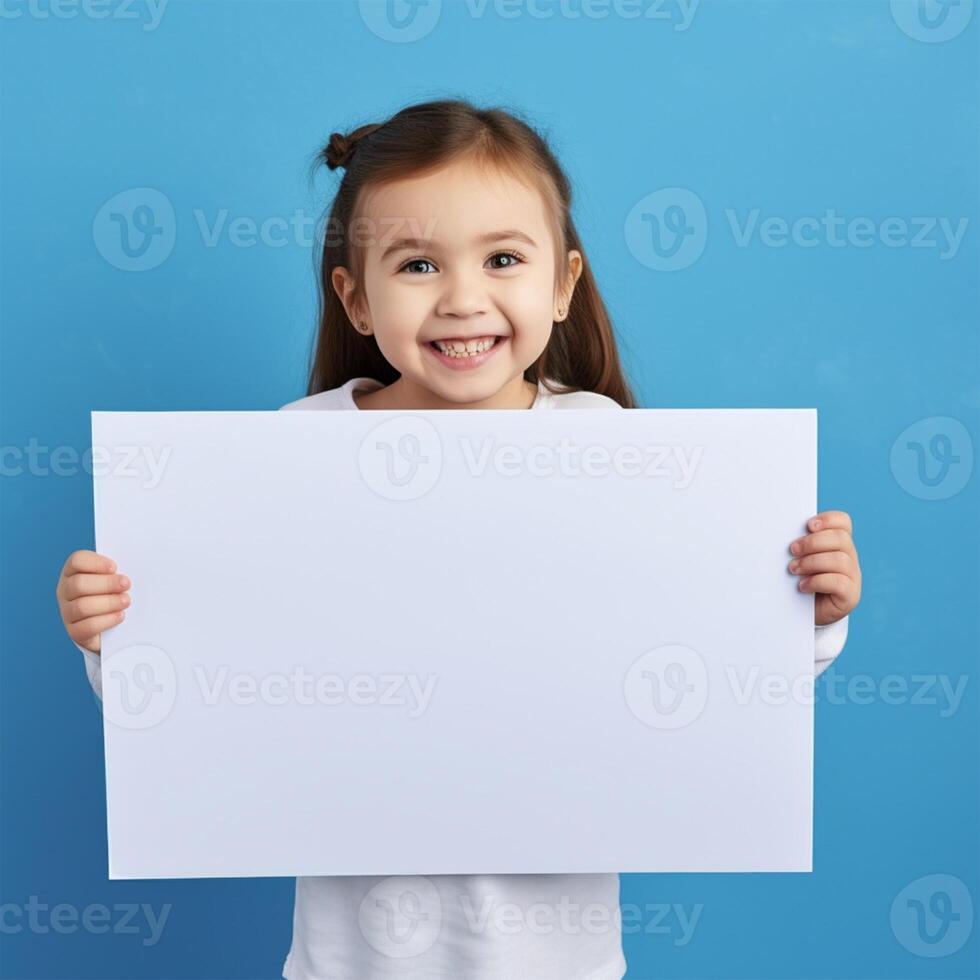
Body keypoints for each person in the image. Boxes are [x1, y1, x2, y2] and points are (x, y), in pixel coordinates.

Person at [55, 98, 862, 980]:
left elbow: (713, 670)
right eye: (418, 263)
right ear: (355, 299)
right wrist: (114, 635)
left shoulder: (608, 448)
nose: (463, 299)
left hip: (559, 954)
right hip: (348, 956)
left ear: (562, 285)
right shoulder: (295, 449)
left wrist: (809, 613)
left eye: (504, 259)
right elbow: (210, 689)